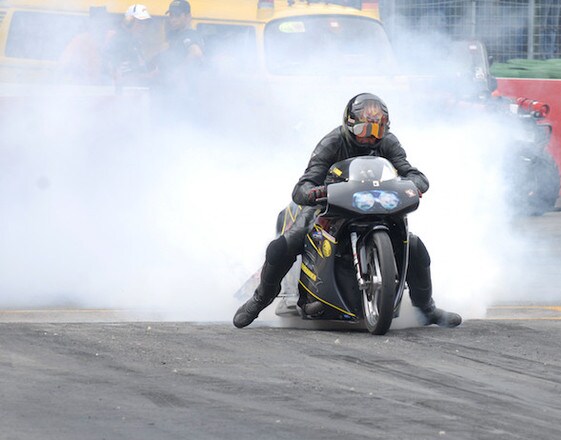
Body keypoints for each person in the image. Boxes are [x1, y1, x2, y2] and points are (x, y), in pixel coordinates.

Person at [233, 93, 462, 329]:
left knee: (414, 245)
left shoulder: (389, 142)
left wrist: (415, 184)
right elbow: (304, 185)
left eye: (378, 130)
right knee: (284, 244)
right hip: (332, 206)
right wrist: (313, 192)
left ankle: (426, 309)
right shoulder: (331, 143)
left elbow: (411, 172)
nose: (371, 137)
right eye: (364, 129)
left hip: (377, 206)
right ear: (350, 124)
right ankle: (260, 299)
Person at [152, 0, 204, 96]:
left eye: (177, 16)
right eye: (171, 15)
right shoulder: (176, 36)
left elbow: (196, 53)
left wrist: (178, 72)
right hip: (172, 92)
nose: (173, 19)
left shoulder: (189, 34)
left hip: (183, 93)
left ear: (188, 16)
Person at [104, 4, 155, 87]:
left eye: (145, 24)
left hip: (133, 92)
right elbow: (122, 77)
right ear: (129, 22)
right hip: (124, 92)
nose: (143, 27)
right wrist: (149, 76)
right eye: (140, 23)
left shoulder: (133, 42)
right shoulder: (120, 42)